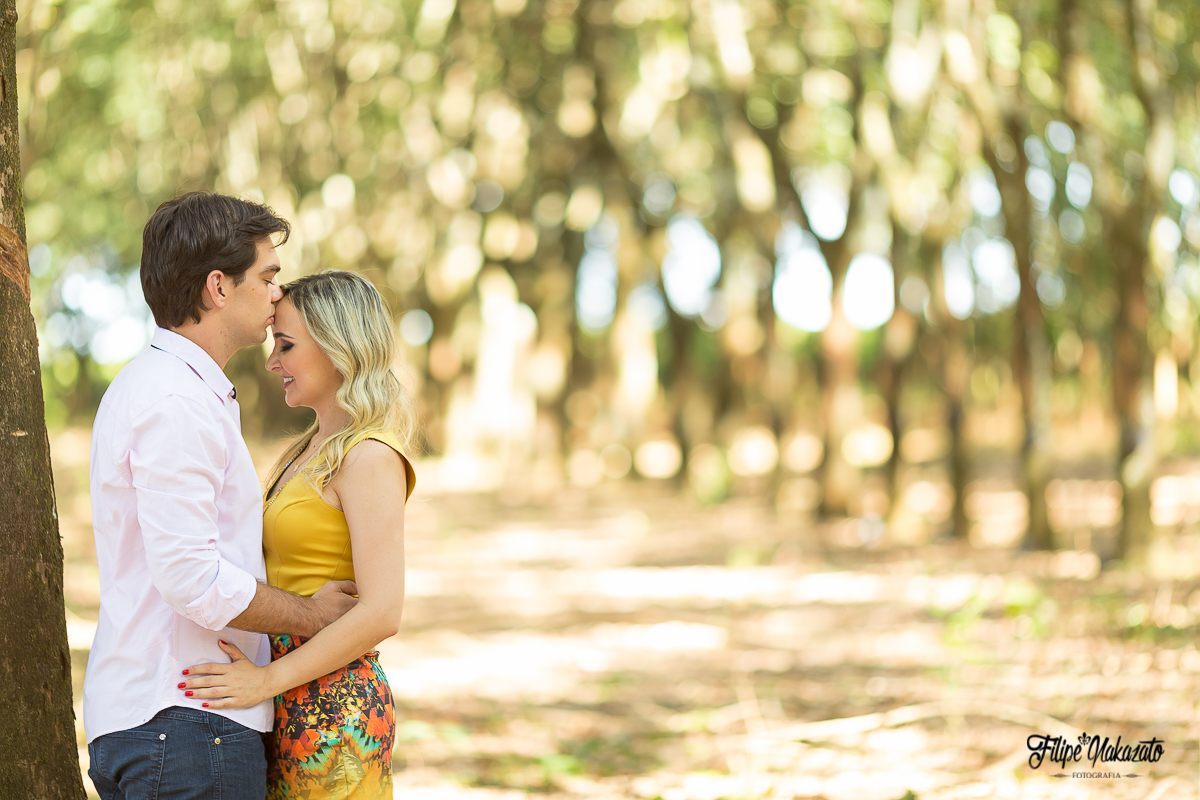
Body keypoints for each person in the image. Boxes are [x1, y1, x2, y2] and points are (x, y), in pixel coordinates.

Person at [85, 193, 362, 799]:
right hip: (186, 726)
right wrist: (313, 615)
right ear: (218, 287)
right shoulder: (175, 401)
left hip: (170, 724)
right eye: (266, 277)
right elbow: (192, 577)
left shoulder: (167, 388)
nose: (276, 295)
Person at [179, 270, 415, 799]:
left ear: (337, 346)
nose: (271, 362)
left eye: (285, 345)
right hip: (285, 695)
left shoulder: (370, 455)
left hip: (334, 704)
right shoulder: (306, 450)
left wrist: (266, 681)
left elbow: (383, 612)